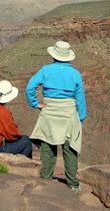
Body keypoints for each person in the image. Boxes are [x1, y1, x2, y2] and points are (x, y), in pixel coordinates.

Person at [25, 40, 86, 192]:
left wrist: (35, 104)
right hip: (68, 113)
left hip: (49, 112)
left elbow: (30, 87)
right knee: (70, 150)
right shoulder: (75, 73)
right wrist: (80, 117)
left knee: (48, 149)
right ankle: (73, 185)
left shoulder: (46, 70)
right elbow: (80, 98)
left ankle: (46, 181)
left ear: (53, 55)